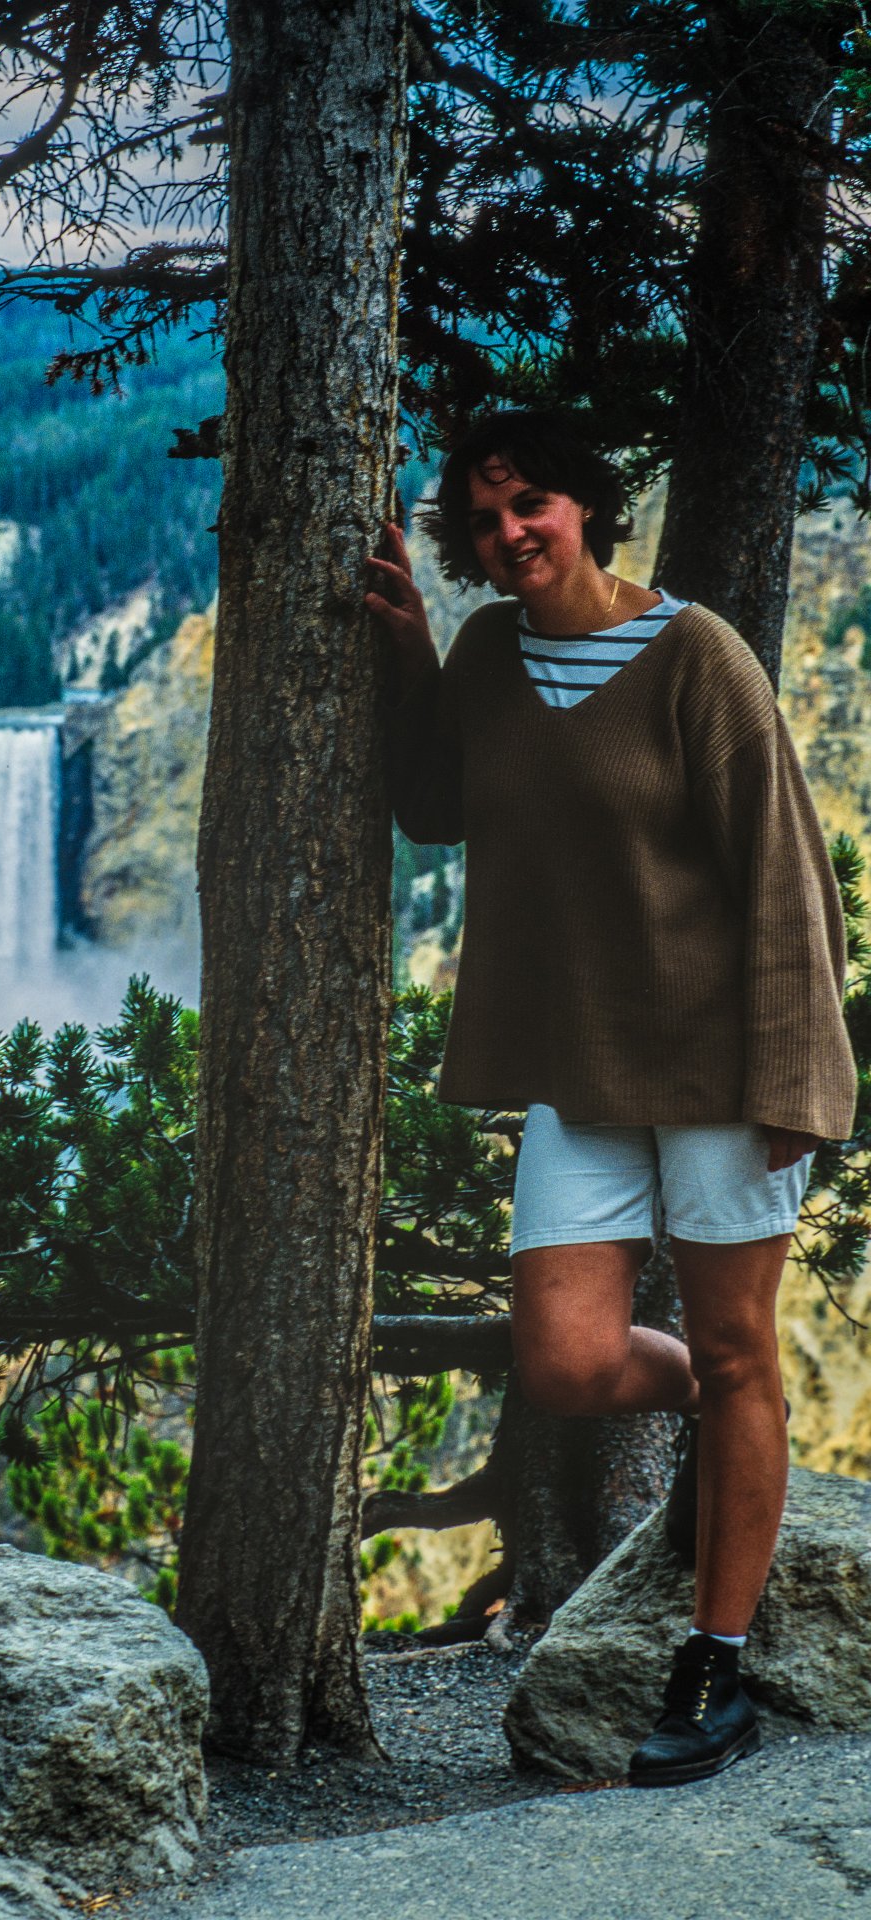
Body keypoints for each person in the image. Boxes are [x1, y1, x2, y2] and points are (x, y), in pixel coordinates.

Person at [364, 408, 856, 1789]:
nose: (509, 533)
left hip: (720, 1067)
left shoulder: (696, 655)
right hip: (579, 1070)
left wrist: (798, 1077)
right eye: (483, 521)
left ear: (586, 505)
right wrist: (409, 654)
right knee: (568, 1363)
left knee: (740, 1343)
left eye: (530, 504)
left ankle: (717, 1665)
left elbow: (783, 873)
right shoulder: (488, 656)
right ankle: (731, 1408)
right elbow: (437, 808)